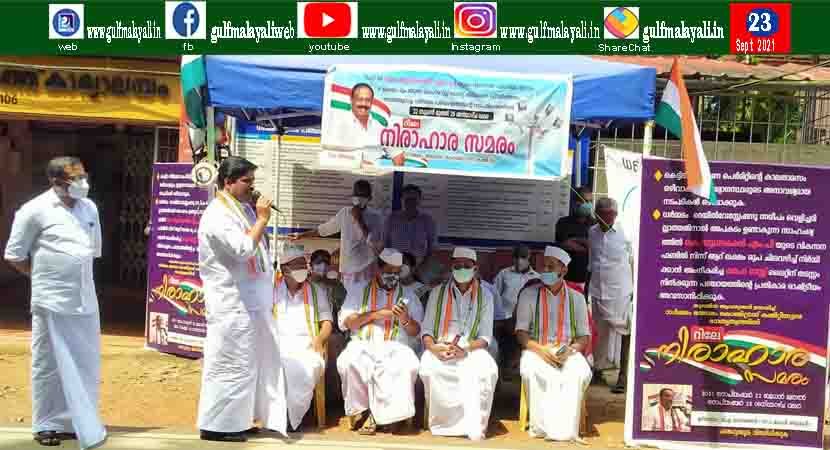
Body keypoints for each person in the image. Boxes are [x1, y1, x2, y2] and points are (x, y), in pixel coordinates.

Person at [4, 156, 107, 449]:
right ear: (55, 181)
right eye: (74, 178)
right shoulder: (33, 211)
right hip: (50, 300)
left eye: (83, 176)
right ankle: (47, 424)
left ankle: (78, 421)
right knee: (48, 364)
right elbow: (14, 255)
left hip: (85, 298)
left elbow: (92, 250)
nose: (82, 183)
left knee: (86, 361)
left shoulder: (89, 208)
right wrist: (41, 276)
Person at [196, 156, 287, 442]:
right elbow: (243, 248)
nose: (252, 187)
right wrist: (262, 219)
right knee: (228, 363)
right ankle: (217, 426)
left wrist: (257, 218)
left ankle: (238, 420)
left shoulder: (241, 208)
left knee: (246, 363)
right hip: (230, 302)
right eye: (247, 181)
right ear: (228, 182)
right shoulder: (217, 215)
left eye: (253, 181)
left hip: (248, 303)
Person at [337, 248, 422, 435]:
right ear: (378, 269)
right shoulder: (358, 290)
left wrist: (405, 319)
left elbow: (416, 331)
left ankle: (387, 417)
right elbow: (347, 323)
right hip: (362, 343)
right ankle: (363, 411)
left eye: (396, 272)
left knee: (408, 364)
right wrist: (375, 314)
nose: (393, 276)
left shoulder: (409, 295)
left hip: (396, 345)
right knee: (348, 361)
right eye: (388, 271)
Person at [419, 247, 498, 441]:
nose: (462, 269)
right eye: (457, 266)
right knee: (430, 368)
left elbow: (485, 337)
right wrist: (433, 348)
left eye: (466, 266)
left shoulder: (486, 295)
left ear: (475, 268)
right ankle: (442, 425)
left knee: (487, 370)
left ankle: (474, 425)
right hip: (441, 346)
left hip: (471, 348)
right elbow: (427, 330)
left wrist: (465, 349)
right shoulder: (437, 292)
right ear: (451, 267)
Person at [516, 246, 592, 442]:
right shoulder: (528, 294)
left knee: (578, 372)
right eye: (544, 266)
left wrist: (570, 351)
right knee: (535, 371)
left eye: (551, 267)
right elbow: (521, 333)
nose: (545, 270)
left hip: (567, 351)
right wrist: (541, 351)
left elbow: (584, 336)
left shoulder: (577, 298)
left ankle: (566, 430)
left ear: (563, 270)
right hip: (536, 349)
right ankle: (542, 428)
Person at [273, 246, 334, 431]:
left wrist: (319, 340)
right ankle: (279, 415)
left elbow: (327, 322)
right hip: (278, 345)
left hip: (308, 346)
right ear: (284, 269)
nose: (303, 268)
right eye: (297, 265)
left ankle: (293, 418)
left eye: (303, 264)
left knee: (304, 367)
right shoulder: (272, 290)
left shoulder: (316, 291)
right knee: (275, 365)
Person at [293, 180, 384, 290]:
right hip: (347, 273)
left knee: (365, 299)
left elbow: (374, 244)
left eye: (363, 195)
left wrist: (359, 220)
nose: (359, 198)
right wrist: (302, 235)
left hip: (365, 271)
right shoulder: (345, 212)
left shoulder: (376, 217)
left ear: (369, 198)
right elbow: (324, 230)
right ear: (352, 196)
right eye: (357, 194)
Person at [588, 197, 634, 394]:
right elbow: (592, 261)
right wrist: (588, 287)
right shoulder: (592, 232)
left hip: (620, 292)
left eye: (608, 216)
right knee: (599, 333)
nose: (604, 220)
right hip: (598, 290)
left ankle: (623, 375)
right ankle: (598, 370)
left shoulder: (626, 233)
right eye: (600, 216)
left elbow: (634, 260)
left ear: (615, 215)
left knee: (624, 330)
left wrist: (634, 288)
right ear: (596, 215)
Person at [492, 245, 540, 377]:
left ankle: (517, 368)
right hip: (505, 318)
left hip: (526, 320)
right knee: (505, 335)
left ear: (529, 258)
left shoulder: (537, 277)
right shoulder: (504, 274)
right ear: (512, 258)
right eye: (516, 257)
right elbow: (494, 295)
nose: (519, 261)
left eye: (523, 258)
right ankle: (504, 369)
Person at [383, 185, 437, 268]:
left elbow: (432, 248)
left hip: (419, 267)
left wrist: (423, 267)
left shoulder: (427, 220)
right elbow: (385, 245)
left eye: (414, 199)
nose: (410, 203)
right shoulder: (391, 219)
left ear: (419, 200)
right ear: (401, 200)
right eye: (407, 199)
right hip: (396, 266)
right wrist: (390, 267)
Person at [555, 186, 594, 294]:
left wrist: (574, 240)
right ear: (576, 202)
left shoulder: (595, 225)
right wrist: (586, 244)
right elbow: (566, 244)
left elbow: (592, 247)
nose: (588, 204)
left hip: (589, 282)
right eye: (585, 201)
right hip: (566, 279)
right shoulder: (563, 223)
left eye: (590, 201)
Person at [326, 83, 384, 149]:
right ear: (351, 100)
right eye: (360, 99)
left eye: (368, 100)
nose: (363, 104)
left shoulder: (378, 127)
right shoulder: (337, 124)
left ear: (372, 102)